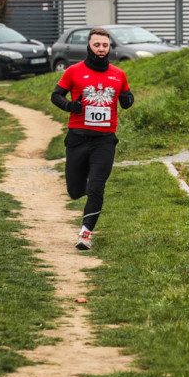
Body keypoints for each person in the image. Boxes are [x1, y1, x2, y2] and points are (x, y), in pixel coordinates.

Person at [51, 28, 133, 251]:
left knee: (97, 187)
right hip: (77, 139)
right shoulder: (74, 71)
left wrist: (127, 100)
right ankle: (87, 188)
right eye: (97, 45)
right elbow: (56, 95)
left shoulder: (118, 74)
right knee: (75, 191)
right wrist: (70, 106)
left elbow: (126, 96)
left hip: (104, 141)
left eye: (105, 45)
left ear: (109, 48)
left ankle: (85, 233)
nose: (101, 49)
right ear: (89, 46)